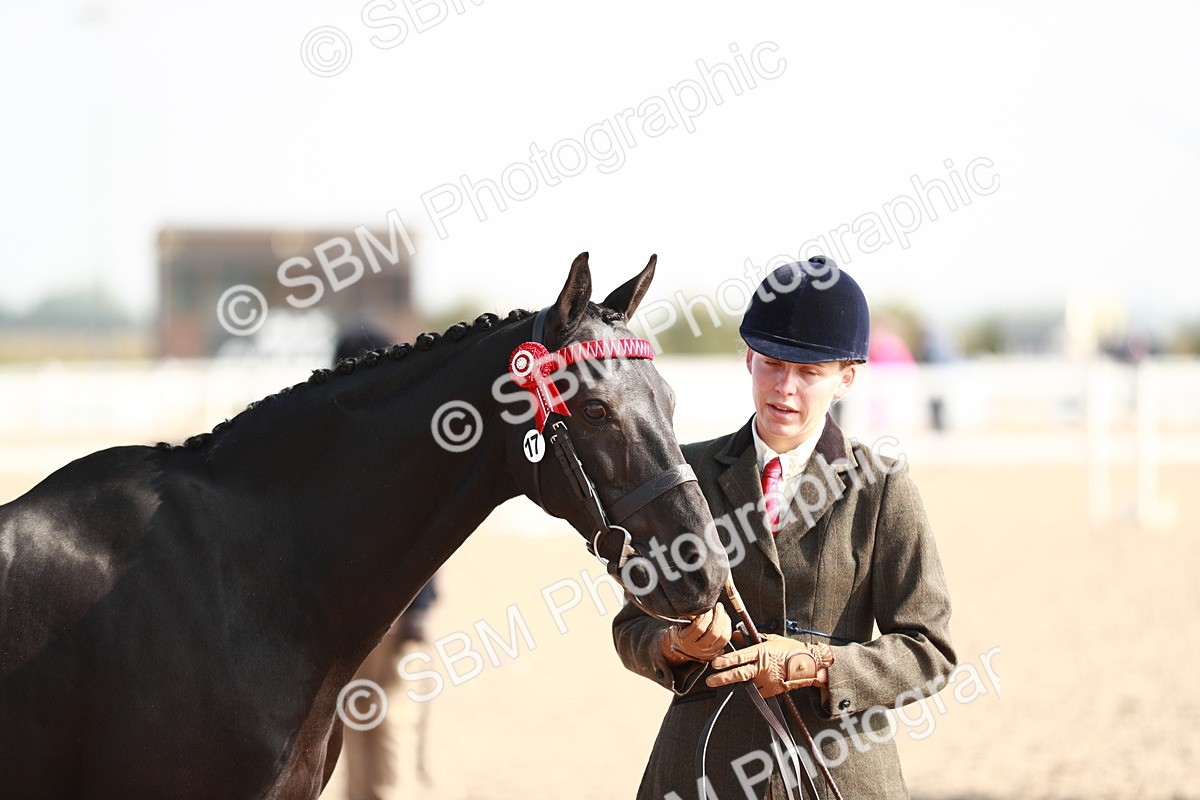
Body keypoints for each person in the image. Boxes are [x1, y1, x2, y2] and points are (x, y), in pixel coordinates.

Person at [613, 258, 956, 799]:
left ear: (846, 378)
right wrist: (677, 644)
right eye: (772, 363)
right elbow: (633, 628)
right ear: (748, 357)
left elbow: (929, 651)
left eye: (810, 373)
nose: (785, 389)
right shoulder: (687, 476)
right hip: (702, 766)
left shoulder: (883, 489)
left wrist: (819, 664)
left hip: (838, 768)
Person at [334, 325, 439, 800]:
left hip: (367, 622)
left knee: (373, 741)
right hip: (376, 622)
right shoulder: (403, 438)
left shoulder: (349, 440)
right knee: (378, 742)